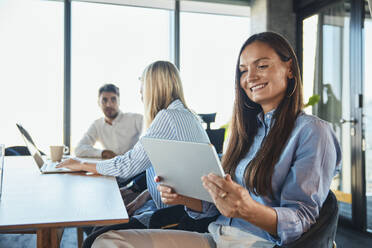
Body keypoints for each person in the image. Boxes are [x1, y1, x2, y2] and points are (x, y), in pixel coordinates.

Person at [90, 32, 342, 248]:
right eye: (243, 70)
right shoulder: (245, 132)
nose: (250, 77)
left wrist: (247, 209)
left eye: (262, 66)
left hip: (257, 243)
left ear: (289, 69)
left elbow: (303, 219)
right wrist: (184, 197)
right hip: (216, 236)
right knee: (108, 241)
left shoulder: (312, 132)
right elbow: (213, 209)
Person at [57, 61, 215, 247]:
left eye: (142, 86)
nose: (140, 92)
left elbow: (128, 166)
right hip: (188, 210)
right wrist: (147, 193)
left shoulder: (167, 117)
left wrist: (81, 164)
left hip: (186, 217)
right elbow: (178, 171)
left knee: (92, 240)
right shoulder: (187, 115)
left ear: (153, 87)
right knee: (99, 229)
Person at [75, 83, 143, 159]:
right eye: (104, 100)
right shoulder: (97, 125)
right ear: (98, 103)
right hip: (112, 168)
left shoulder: (136, 119)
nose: (109, 105)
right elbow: (79, 149)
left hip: (135, 167)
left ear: (119, 101)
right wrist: (103, 153)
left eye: (113, 99)